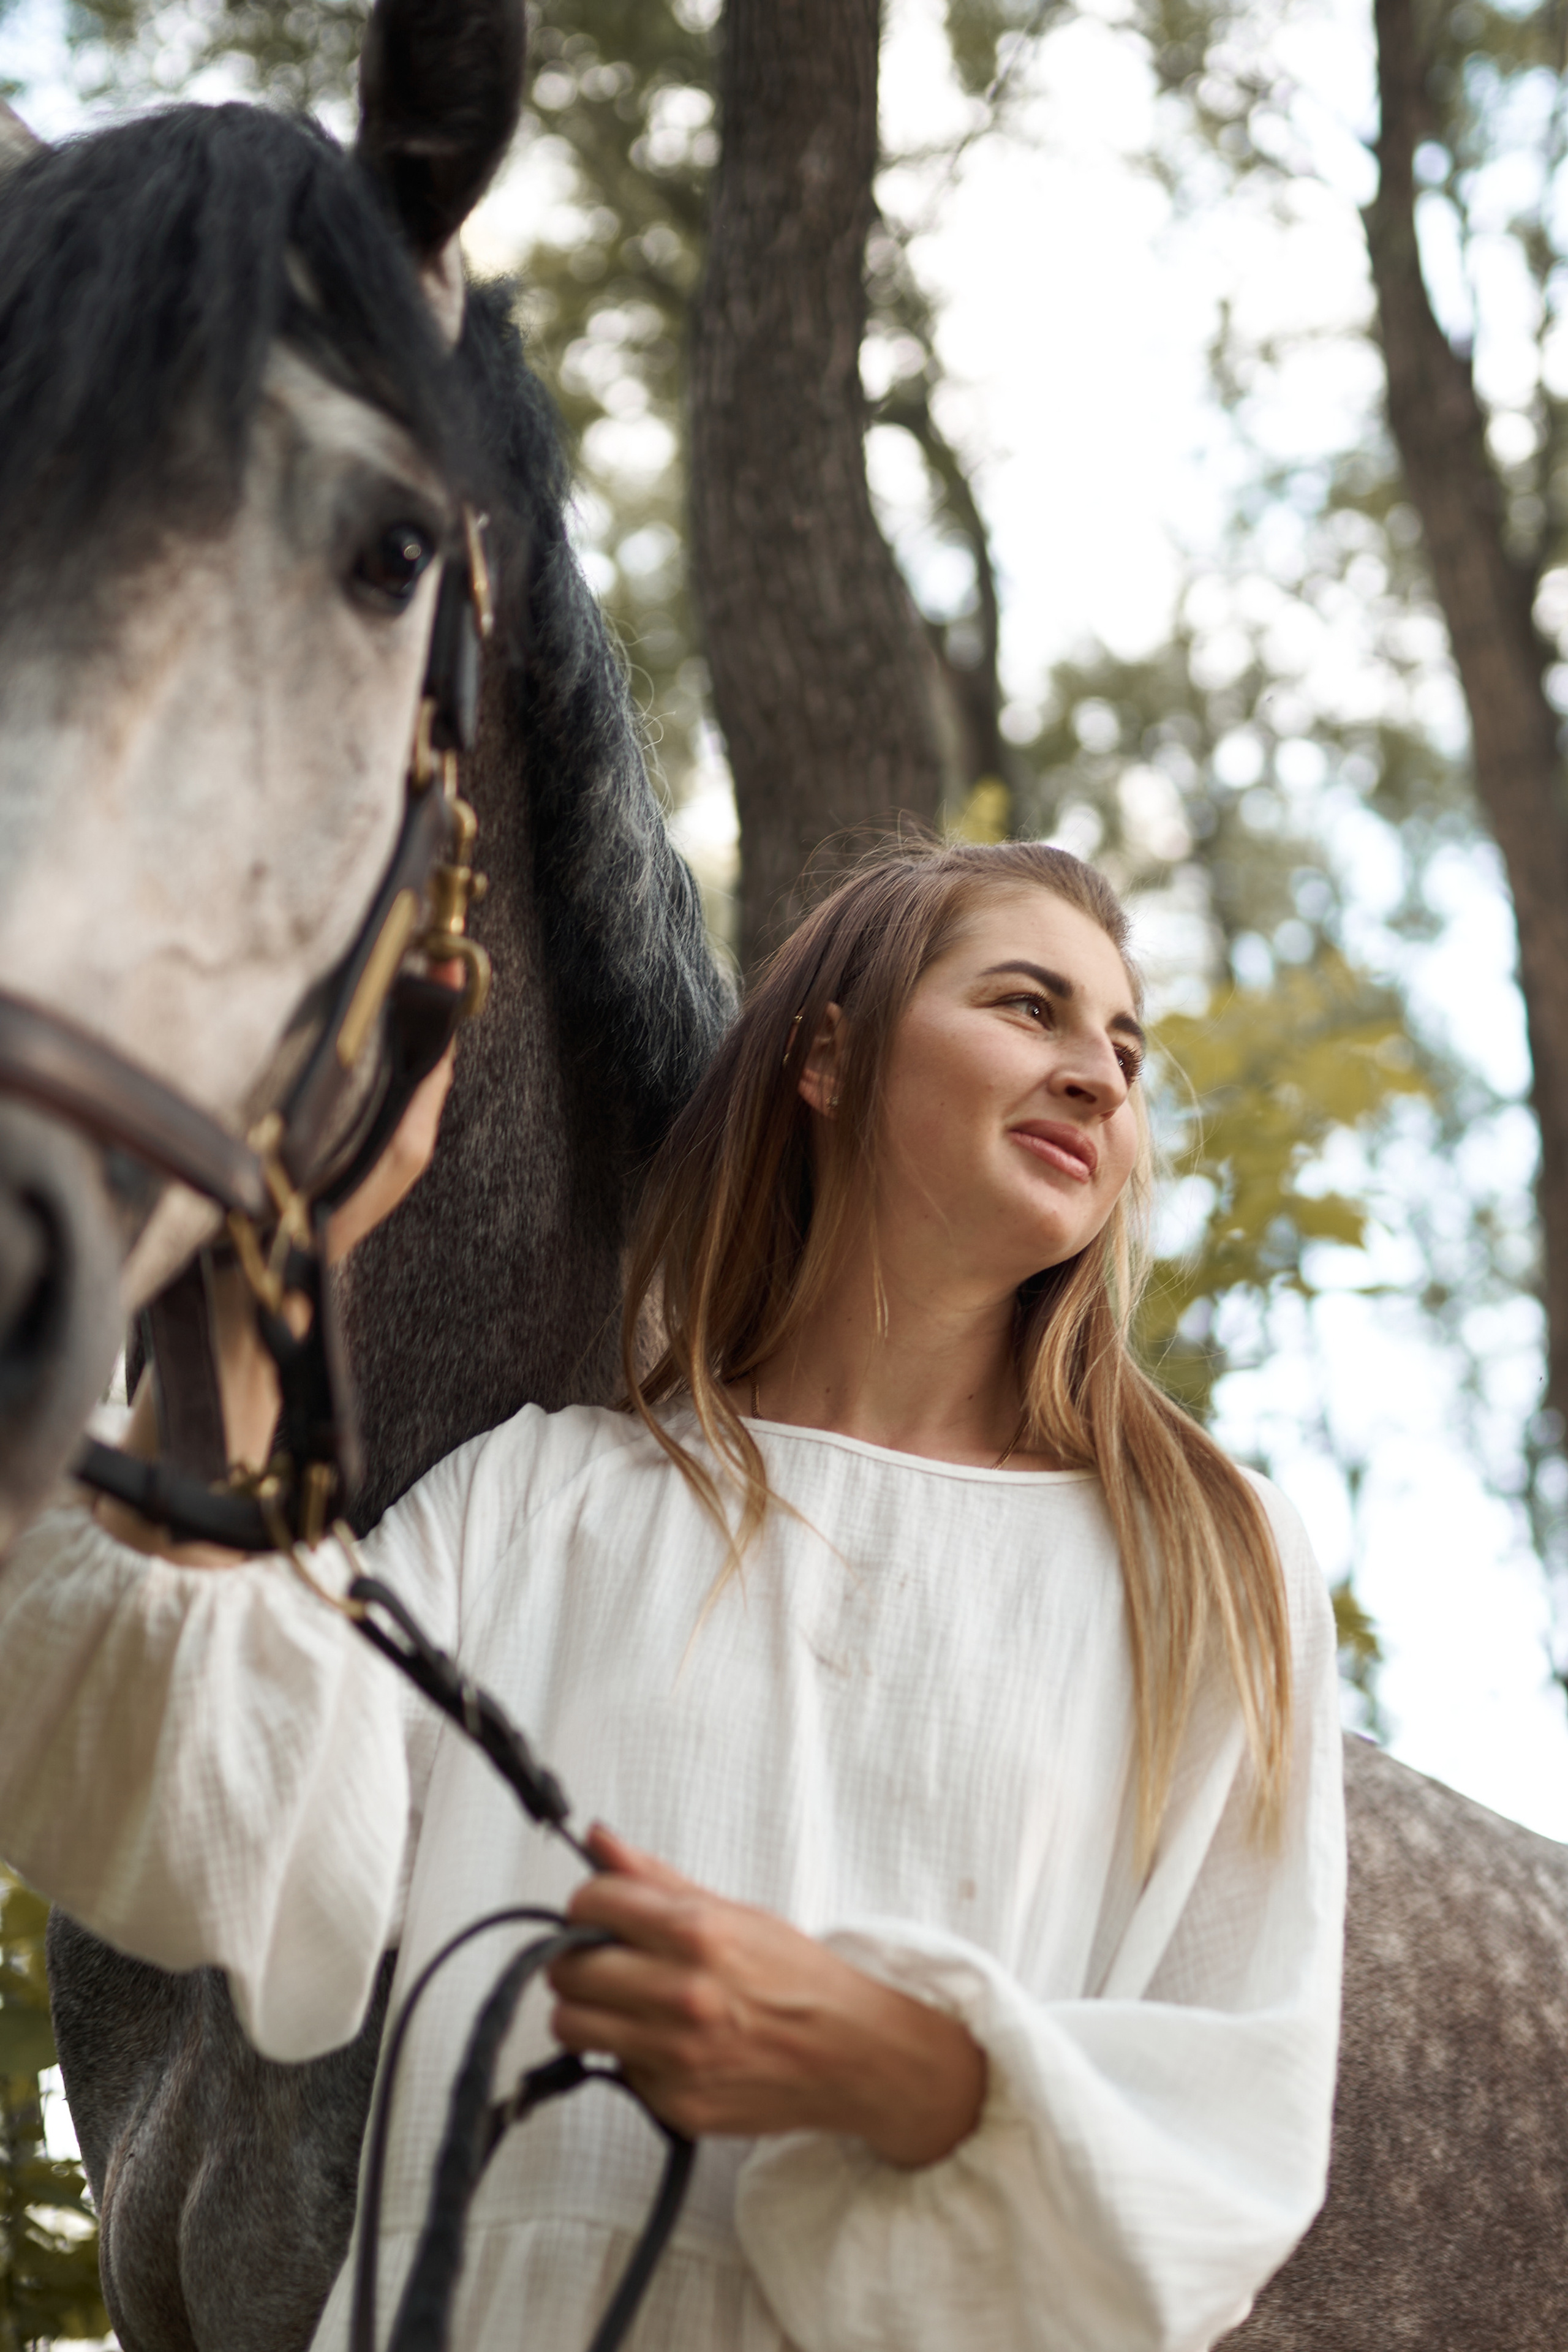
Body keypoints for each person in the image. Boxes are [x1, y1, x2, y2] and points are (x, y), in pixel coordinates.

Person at [0, 839, 1345, 2351]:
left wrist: (897, 2063)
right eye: (1027, 1008)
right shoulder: (542, 1498)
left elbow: (1238, 2127)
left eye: (1121, 1047)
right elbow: (219, 1843)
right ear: (825, 1057)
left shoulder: (1201, 1558)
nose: (1098, 1077)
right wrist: (266, 1275)